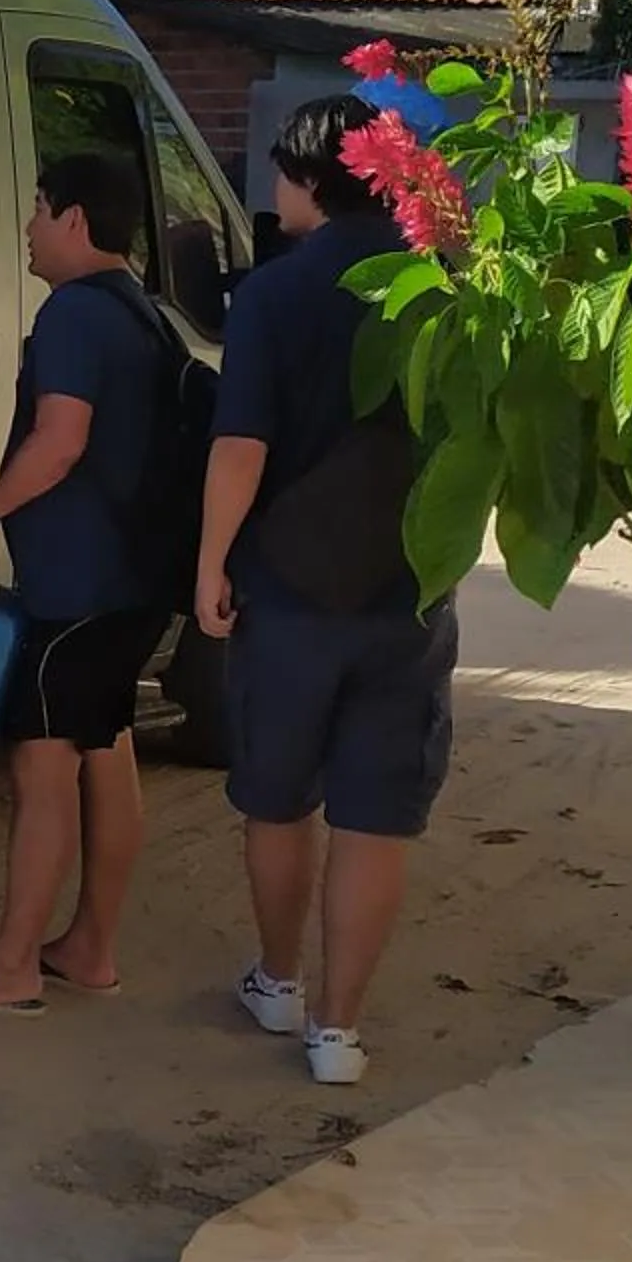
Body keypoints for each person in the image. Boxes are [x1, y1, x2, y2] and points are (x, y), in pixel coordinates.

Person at [195, 96, 458, 1087]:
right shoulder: (444, 287)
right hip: (409, 589)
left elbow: (240, 446)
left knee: (278, 797)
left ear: (309, 179)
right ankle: (339, 1033)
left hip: (291, 588)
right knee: (377, 814)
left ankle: (279, 981)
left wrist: (211, 562)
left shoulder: (277, 292)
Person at [0, 153, 176, 1016]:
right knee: (106, 749)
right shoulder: (143, 312)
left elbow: (60, 440)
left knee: (44, 767)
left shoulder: (73, 313)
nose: (27, 227)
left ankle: (11, 966)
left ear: (73, 218)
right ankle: (89, 947)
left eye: (36, 208)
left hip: (75, 587)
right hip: (136, 580)